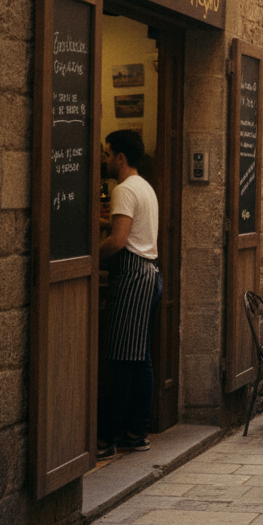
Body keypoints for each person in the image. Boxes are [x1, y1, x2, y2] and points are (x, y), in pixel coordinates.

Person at [97, 129, 163, 459]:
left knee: (121, 360)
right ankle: (137, 430)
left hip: (134, 275)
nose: (106, 160)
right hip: (149, 273)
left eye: (108, 154)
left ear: (121, 158)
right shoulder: (145, 187)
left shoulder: (124, 189)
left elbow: (119, 240)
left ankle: (108, 437)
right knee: (140, 360)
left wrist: (91, 256)